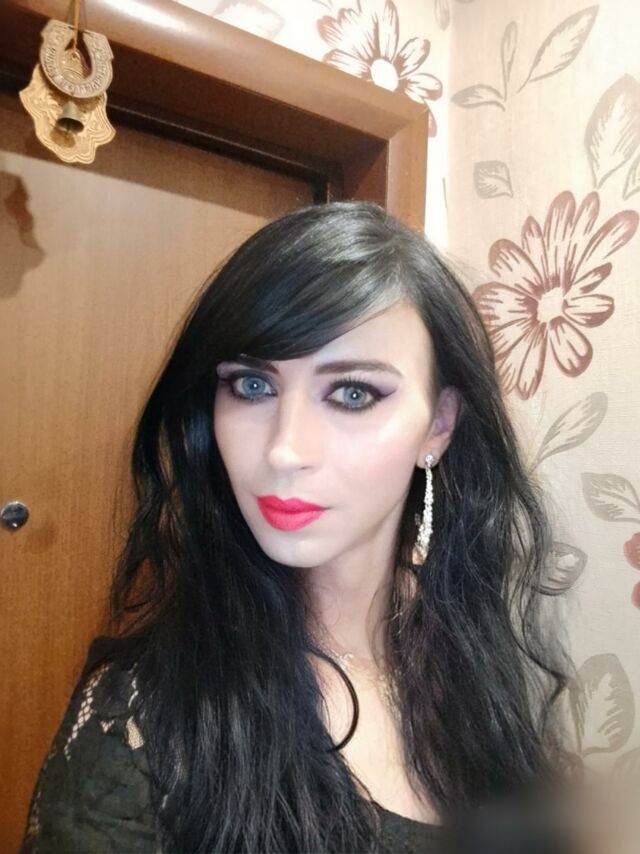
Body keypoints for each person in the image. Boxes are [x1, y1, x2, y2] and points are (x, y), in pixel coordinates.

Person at [20, 200, 575, 853]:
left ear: (439, 425)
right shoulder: (139, 723)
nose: (285, 450)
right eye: (252, 386)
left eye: (352, 393)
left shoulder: (483, 665)